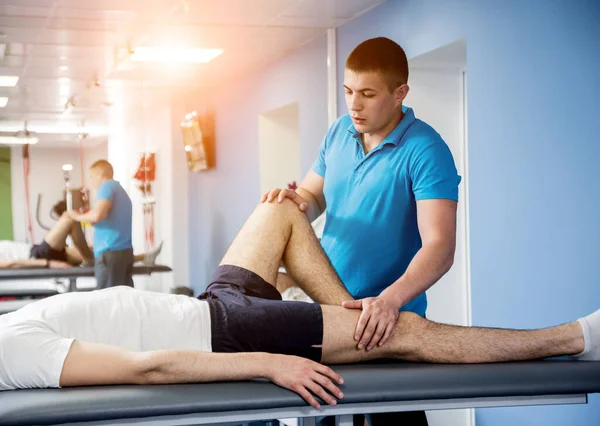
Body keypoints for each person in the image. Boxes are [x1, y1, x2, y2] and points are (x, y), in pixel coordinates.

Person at [0, 200, 597, 411]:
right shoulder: (9, 350)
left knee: (281, 209)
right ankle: (574, 337)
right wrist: (269, 362)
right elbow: (144, 368)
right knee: (406, 331)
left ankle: (353, 325)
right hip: (225, 332)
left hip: (212, 303)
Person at [261, 37, 461, 424]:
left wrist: (389, 301)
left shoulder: (426, 150)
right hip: (329, 313)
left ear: (400, 92)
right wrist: (294, 201)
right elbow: (313, 195)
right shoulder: (339, 132)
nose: (354, 104)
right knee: (323, 414)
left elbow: (440, 246)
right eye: (349, 91)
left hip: (386, 323)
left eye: (368, 94)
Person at [0, 212, 162, 270]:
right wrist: (48, 264)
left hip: (40, 252)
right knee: (70, 218)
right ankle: (88, 260)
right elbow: (10, 264)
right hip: (38, 256)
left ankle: (145, 258)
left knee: (100, 251)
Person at [68, 160, 134, 289]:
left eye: (92, 176)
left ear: (100, 173)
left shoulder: (107, 187)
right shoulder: (120, 190)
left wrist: (76, 216)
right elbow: (104, 219)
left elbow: (97, 215)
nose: (92, 181)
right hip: (123, 253)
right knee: (122, 298)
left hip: (111, 253)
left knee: (107, 300)